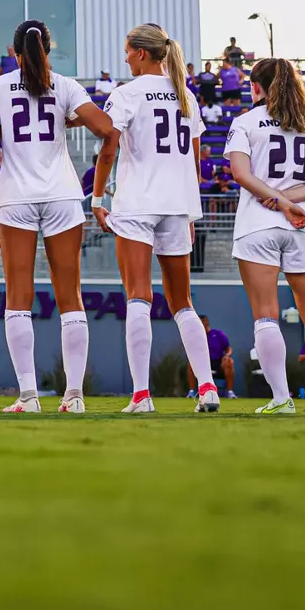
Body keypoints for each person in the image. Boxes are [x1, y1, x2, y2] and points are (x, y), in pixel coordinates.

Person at [0, 19, 113, 414]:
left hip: (15, 198)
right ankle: (73, 396)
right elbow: (106, 129)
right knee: (70, 297)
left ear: (14, 52)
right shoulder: (67, 85)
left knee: (18, 297)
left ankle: (28, 396)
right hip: (62, 196)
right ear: (48, 50)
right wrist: (70, 117)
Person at [91, 23, 218, 414]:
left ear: (142, 53)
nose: (125, 57)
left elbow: (109, 148)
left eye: (128, 51)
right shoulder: (186, 96)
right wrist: (190, 209)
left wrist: (97, 197)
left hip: (137, 202)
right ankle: (209, 387)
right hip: (177, 204)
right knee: (183, 303)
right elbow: (195, 160)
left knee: (138, 298)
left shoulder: (126, 93)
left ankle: (142, 395)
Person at [224, 57, 305, 414]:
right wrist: (291, 199)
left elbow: (239, 173)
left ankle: (282, 399)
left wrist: (278, 201)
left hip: (258, 224)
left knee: (266, 315)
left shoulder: (245, 121)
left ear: (255, 87)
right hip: (302, 226)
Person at [185, 314, 235, 399]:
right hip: (203, 363)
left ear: (207, 322)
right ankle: (192, 392)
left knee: (229, 362)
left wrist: (227, 356)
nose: (202, 324)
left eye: (203, 321)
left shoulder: (218, 334)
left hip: (218, 362)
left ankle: (230, 392)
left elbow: (228, 349)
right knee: (191, 364)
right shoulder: (196, 337)